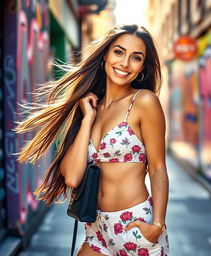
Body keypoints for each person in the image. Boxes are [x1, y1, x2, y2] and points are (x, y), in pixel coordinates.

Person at [15, 24, 170, 256]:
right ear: (105, 54)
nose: (125, 63)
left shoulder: (144, 102)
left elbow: (157, 168)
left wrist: (156, 225)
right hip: (95, 230)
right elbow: (73, 177)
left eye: (136, 57)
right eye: (119, 52)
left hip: (136, 227)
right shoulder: (91, 106)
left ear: (142, 68)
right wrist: (87, 119)